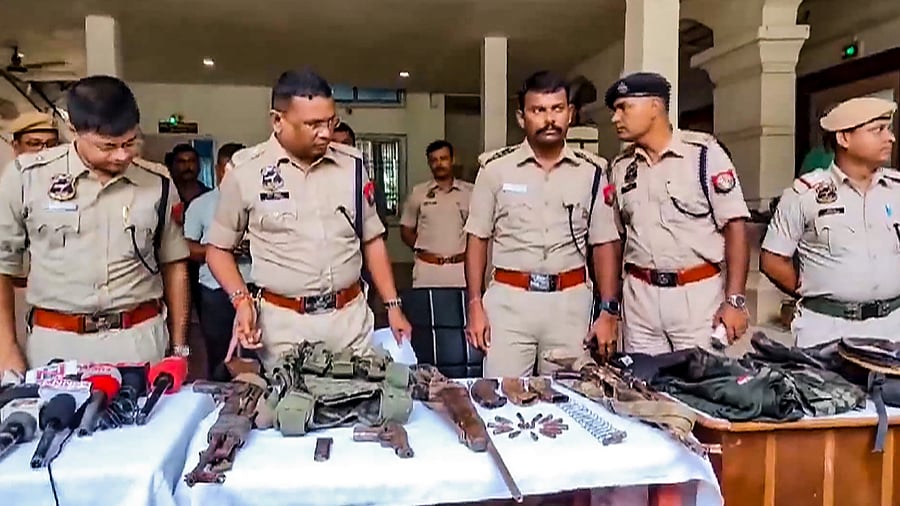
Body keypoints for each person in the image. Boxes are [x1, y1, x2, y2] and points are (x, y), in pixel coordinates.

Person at [205, 69, 411, 370]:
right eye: (313, 125)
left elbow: (372, 239)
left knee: (362, 406)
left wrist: (393, 305)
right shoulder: (245, 172)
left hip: (349, 323)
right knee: (293, 412)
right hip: (285, 328)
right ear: (278, 121)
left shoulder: (352, 165)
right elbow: (218, 249)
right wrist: (241, 300)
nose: (326, 133)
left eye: (330, 122)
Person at [0, 75, 191, 373]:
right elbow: (3, 266)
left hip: (138, 341)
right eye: (108, 146)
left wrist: (179, 349)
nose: (122, 155)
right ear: (73, 129)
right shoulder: (27, 178)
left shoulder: (158, 183)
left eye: (130, 142)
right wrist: (6, 348)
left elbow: (174, 265)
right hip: (58, 344)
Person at [464, 70, 620, 377]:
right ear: (522, 118)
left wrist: (608, 311)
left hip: (570, 304)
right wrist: (474, 304)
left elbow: (604, 243)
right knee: (502, 399)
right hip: (509, 303)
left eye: (557, 109)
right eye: (538, 110)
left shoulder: (593, 172)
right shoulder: (495, 170)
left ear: (570, 114)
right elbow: (477, 239)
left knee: (571, 396)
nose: (549, 119)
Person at [600, 72, 751, 357]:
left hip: (696, 296)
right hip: (640, 299)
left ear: (655, 106)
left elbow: (735, 227)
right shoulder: (620, 167)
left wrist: (735, 301)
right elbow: (615, 239)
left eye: (624, 108)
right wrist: (611, 307)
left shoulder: (703, 154)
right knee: (643, 391)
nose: (615, 118)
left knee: (700, 389)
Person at [761, 97, 899, 346]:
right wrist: (815, 291)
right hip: (828, 331)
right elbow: (772, 259)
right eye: (877, 130)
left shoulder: (896, 190)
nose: (890, 138)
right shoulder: (805, 194)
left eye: (888, 129)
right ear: (844, 138)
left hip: (893, 329)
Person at [184, 142, 248, 379]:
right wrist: (222, 250)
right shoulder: (201, 205)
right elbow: (186, 247)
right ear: (220, 169)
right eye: (232, 168)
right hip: (215, 291)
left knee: (258, 353)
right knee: (221, 356)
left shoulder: (258, 201)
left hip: (256, 289)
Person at [400, 140, 473, 288]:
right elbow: (406, 230)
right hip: (427, 271)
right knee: (425, 310)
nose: (439, 164)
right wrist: (423, 248)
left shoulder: (470, 193)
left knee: (460, 311)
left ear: (452, 160)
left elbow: (478, 234)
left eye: (443, 159)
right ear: (429, 163)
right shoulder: (418, 193)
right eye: (434, 160)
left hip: (460, 271)